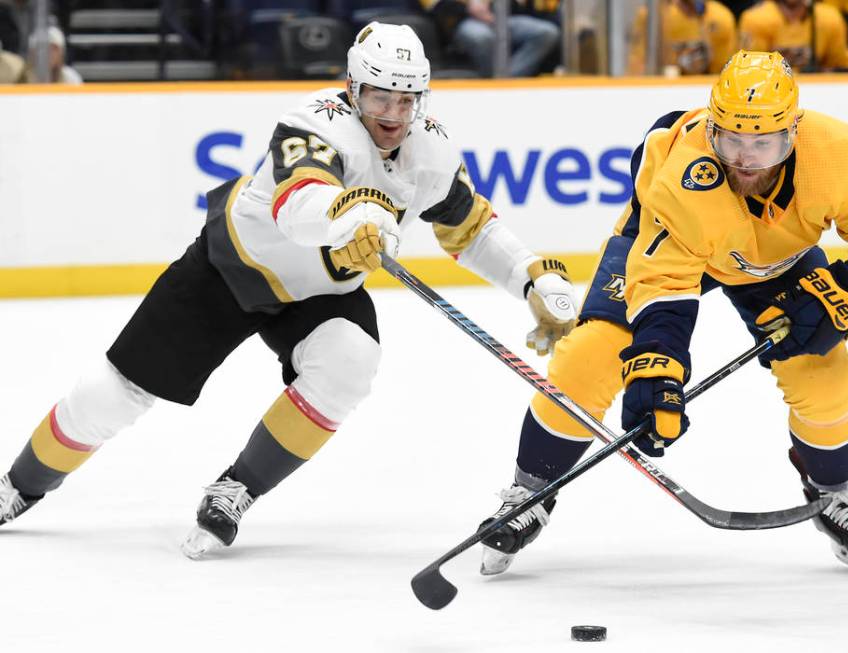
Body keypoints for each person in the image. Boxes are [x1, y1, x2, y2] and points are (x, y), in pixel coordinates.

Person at [0, 21, 577, 559]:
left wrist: (531, 275)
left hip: (323, 292)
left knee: (353, 362)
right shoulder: (316, 121)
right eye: (380, 97)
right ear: (353, 87)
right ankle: (19, 484)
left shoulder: (429, 148)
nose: (394, 115)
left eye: (407, 100)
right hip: (233, 270)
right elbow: (297, 200)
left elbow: (470, 226)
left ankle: (236, 489)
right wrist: (350, 215)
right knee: (114, 393)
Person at [478, 50, 848, 577]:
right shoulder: (682, 171)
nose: (746, 159)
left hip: (777, 259)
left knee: (825, 372)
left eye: (764, 143)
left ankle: (834, 495)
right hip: (671, 246)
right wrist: (657, 366)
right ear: (712, 131)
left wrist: (842, 290)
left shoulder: (838, 153)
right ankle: (529, 493)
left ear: (793, 132)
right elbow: (666, 281)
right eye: (732, 139)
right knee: (590, 356)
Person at [425, 0, 561, 77]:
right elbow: (435, 6)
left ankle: (507, 80)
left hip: (500, 17)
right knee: (482, 37)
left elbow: (519, 5)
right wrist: (469, 6)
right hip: (462, 18)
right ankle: (492, 82)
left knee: (546, 33)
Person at [739, 0, 848, 71]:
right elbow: (749, 71)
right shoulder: (755, 19)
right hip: (769, 94)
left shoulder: (829, 18)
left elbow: (843, 67)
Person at [627, 0, 738, 76]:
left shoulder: (722, 18)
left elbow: (725, 70)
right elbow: (637, 65)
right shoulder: (654, 15)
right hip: (665, 87)